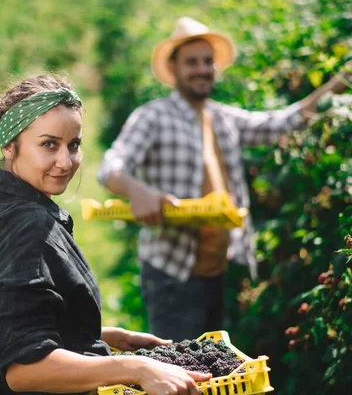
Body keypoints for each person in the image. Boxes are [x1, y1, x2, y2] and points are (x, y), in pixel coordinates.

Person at [0, 74, 211, 395]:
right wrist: (135, 367)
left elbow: (8, 322)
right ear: (9, 145)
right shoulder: (26, 225)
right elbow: (25, 369)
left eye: (73, 145)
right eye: (48, 144)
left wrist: (96, 335)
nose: (65, 161)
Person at [96, 17, 352, 342]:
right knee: (179, 367)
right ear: (173, 69)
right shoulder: (152, 117)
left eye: (208, 61)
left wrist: (343, 80)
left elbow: (287, 121)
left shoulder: (222, 117)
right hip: (172, 270)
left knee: (213, 364)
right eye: (192, 62)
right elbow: (110, 166)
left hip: (219, 269)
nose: (202, 69)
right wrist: (138, 191)